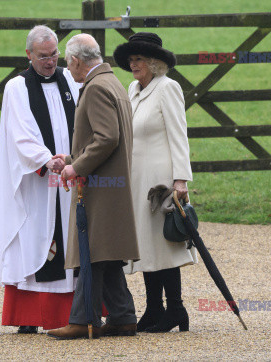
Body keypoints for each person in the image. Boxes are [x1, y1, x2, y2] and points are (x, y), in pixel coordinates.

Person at [47, 34, 140, 340]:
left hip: (100, 186)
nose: (67, 68)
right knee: (106, 253)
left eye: (67, 62)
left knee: (91, 252)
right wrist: (72, 158)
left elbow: (106, 138)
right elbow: (104, 138)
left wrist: (77, 167)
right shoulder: (112, 82)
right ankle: (123, 317)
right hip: (112, 183)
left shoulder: (97, 87)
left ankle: (83, 320)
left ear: (76, 60)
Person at [0, 25, 81, 334]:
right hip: (37, 182)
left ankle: (74, 314)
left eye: (54, 54)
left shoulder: (70, 80)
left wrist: (73, 162)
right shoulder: (17, 87)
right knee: (35, 240)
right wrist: (46, 160)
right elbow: (20, 134)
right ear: (28, 54)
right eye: (43, 56)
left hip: (69, 178)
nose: (50, 61)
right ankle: (30, 316)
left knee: (70, 239)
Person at [113, 32, 197, 333]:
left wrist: (180, 180)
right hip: (138, 180)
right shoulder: (133, 89)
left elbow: (179, 135)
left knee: (165, 243)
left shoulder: (168, 88)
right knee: (146, 245)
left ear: (153, 62)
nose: (133, 64)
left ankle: (176, 308)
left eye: (139, 59)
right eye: (131, 59)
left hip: (161, 180)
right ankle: (153, 308)